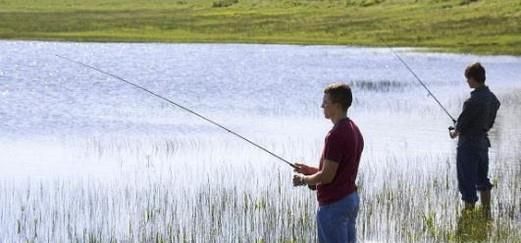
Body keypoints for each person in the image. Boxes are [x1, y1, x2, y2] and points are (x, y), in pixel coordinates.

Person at [293, 83, 364, 243]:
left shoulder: (335, 135)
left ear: (337, 106)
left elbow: (327, 176)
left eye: (325, 102)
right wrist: (310, 170)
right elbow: (340, 169)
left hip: (334, 205)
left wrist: (303, 180)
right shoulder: (354, 129)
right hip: (349, 199)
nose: (322, 106)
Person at [449, 62, 500, 215]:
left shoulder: (471, 102)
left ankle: (469, 217)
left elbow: (460, 128)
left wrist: (453, 132)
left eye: (468, 78)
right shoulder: (492, 98)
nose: (467, 81)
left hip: (468, 146)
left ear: (473, 79)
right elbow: (490, 116)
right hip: (483, 143)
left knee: (467, 182)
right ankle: (486, 213)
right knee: (482, 180)